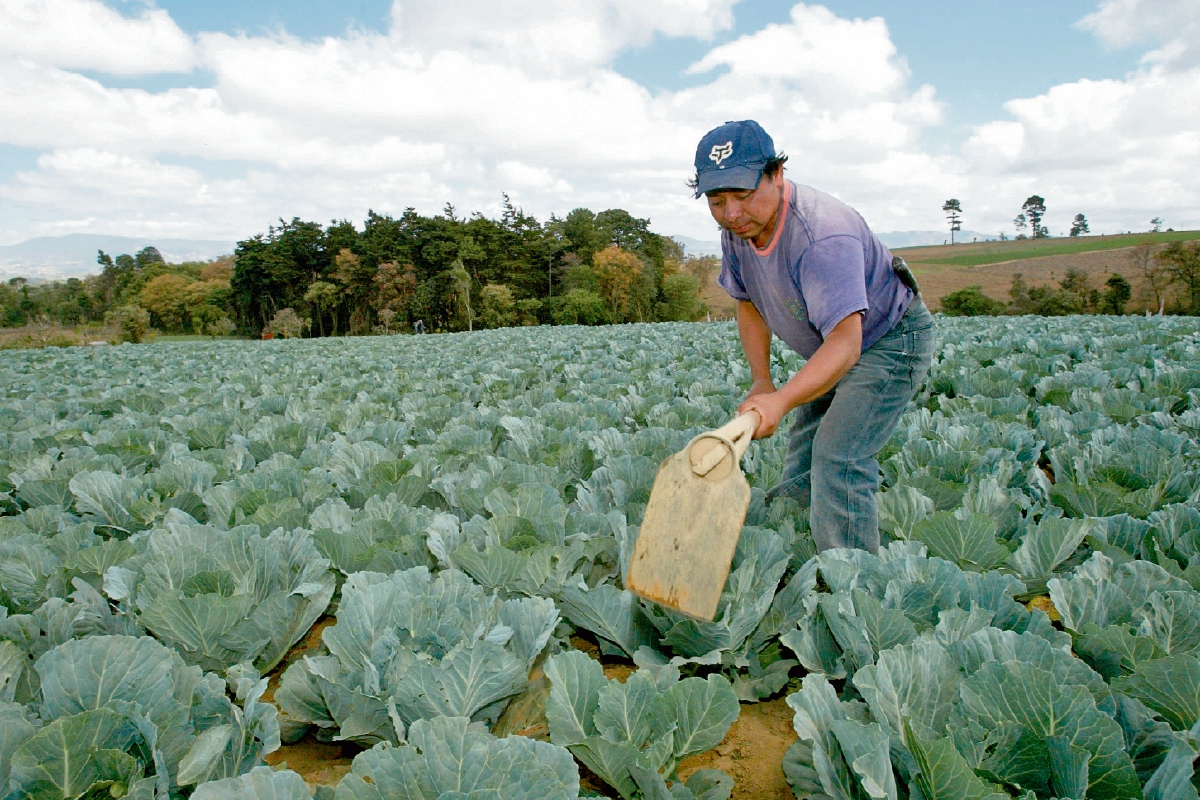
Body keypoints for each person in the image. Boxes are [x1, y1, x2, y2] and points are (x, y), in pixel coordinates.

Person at [692, 120, 934, 553]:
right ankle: (794, 545)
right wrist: (763, 381)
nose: (731, 213)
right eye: (716, 200)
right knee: (806, 445)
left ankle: (853, 577)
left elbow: (846, 343)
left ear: (776, 174)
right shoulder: (738, 229)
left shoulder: (823, 235)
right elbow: (749, 302)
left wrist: (781, 401)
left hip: (889, 341)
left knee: (839, 456)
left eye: (743, 195)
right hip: (834, 343)